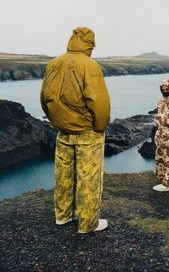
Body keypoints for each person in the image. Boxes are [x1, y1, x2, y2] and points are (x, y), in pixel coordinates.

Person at [40, 27, 110, 233]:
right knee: (89, 177)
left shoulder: (54, 64)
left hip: (63, 131)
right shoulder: (89, 66)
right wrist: (99, 127)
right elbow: (99, 102)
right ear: (90, 44)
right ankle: (88, 223)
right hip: (87, 132)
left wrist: (56, 121)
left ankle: (63, 215)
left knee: (64, 175)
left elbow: (44, 98)